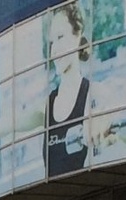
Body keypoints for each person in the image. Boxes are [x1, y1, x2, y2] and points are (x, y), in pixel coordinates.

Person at [45, 1, 91, 176]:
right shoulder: (49, 103)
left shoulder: (92, 95)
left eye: (60, 37)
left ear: (78, 35)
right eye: (51, 43)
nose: (54, 50)